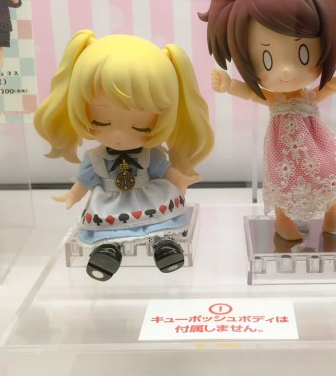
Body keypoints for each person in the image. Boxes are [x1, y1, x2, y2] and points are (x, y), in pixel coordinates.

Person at [199, 0, 336, 241]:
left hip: (316, 143)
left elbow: (331, 86)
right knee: (284, 183)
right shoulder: (276, 101)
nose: (284, 71)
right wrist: (230, 85)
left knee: (329, 171)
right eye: (267, 60)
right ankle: (283, 220)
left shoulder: (307, 97)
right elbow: (253, 96)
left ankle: (335, 207)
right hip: (281, 150)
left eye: (303, 53)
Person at [34, 31, 214, 280]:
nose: (119, 135)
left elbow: (166, 172)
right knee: (109, 231)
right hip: (110, 201)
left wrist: (181, 180)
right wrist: (73, 195)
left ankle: (163, 245)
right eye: (101, 121)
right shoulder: (95, 159)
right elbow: (84, 181)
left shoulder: (151, 156)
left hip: (148, 197)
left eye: (140, 125)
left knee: (159, 225)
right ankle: (108, 251)